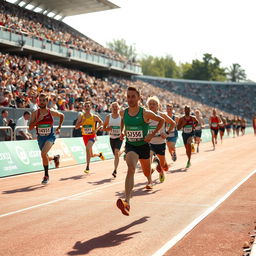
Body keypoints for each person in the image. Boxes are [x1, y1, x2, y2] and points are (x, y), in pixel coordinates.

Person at [116, 86, 164, 216]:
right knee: (131, 169)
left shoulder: (145, 113)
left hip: (143, 146)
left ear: (139, 98)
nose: (130, 99)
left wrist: (151, 134)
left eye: (133, 96)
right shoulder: (123, 112)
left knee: (147, 173)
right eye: (128, 97)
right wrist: (122, 131)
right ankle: (127, 202)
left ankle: (155, 164)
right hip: (131, 146)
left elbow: (161, 120)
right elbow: (123, 121)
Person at [29, 93, 64, 184]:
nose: (42, 102)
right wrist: (38, 120)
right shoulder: (35, 113)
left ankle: (46, 176)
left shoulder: (50, 112)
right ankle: (55, 158)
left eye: (44, 100)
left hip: (50, 136)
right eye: (40, 100)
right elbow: (30, 128)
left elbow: (62, 115)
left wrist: (59, 127)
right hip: (40, 138)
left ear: (47, 101)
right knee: (45, 156)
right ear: (38, 102)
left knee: (43, 153)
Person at [147, 96, 175, 183]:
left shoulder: (162, 115)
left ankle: (161, 169)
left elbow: (173, 123)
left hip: (160, 142)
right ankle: (149, 181)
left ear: (158, 105)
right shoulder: (146, 115)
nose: (152, 106)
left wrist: (166, 133)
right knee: (148, 161)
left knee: (163, 165)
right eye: (150, 104)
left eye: (154, 104)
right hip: (150, 142)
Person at [75, 101, 105, 173]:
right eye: (85, 106)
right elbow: (76, 127)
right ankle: (99, 154)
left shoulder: (94, 117)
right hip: (85, 136)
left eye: (88, 106)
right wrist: (82, 122)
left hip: (92, 136)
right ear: (83, 108)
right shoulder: (81, 116)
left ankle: (87, 167)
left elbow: (101, 122)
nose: (87, 108)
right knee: (90, 155)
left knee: (87, 148)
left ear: (90, 108)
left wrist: (96, 130)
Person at [103, 102, 123, 178]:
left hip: (119, 137)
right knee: (116, 155)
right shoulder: (108, 117)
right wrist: (108, 129)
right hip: (111, 138)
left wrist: (123, 133)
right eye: (113, 107)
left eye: (116, 107)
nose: (114, 108)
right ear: (111, 108)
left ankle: (115, 170)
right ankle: (124, 150)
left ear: (118, 108)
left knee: (116, 152)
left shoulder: (121, 117)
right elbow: (104, 128)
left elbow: (125, 127)